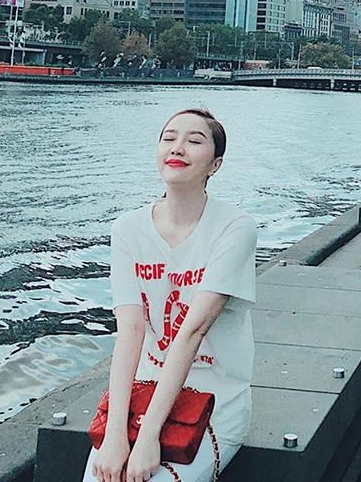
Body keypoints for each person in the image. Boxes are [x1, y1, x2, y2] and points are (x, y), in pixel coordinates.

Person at [83, 108, 257, 482]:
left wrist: (148, 438)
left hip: (213, 398)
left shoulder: (234, 228)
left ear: (215, 165)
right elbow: (130, 331)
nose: (178, 147)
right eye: (169, 138)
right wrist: (115, 434)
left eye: (194, 141)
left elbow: (193, 332)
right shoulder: (128, 229)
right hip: (143, 391)